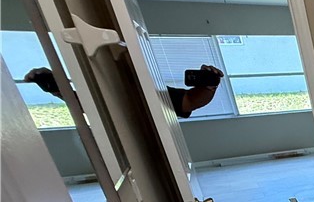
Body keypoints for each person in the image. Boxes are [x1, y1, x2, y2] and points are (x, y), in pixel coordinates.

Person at [24, 64, 224, 119]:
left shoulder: (151, 93)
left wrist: (209, 86)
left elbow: (189, 101)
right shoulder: (107, 93)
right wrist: (56, 89)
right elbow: (89, 106)